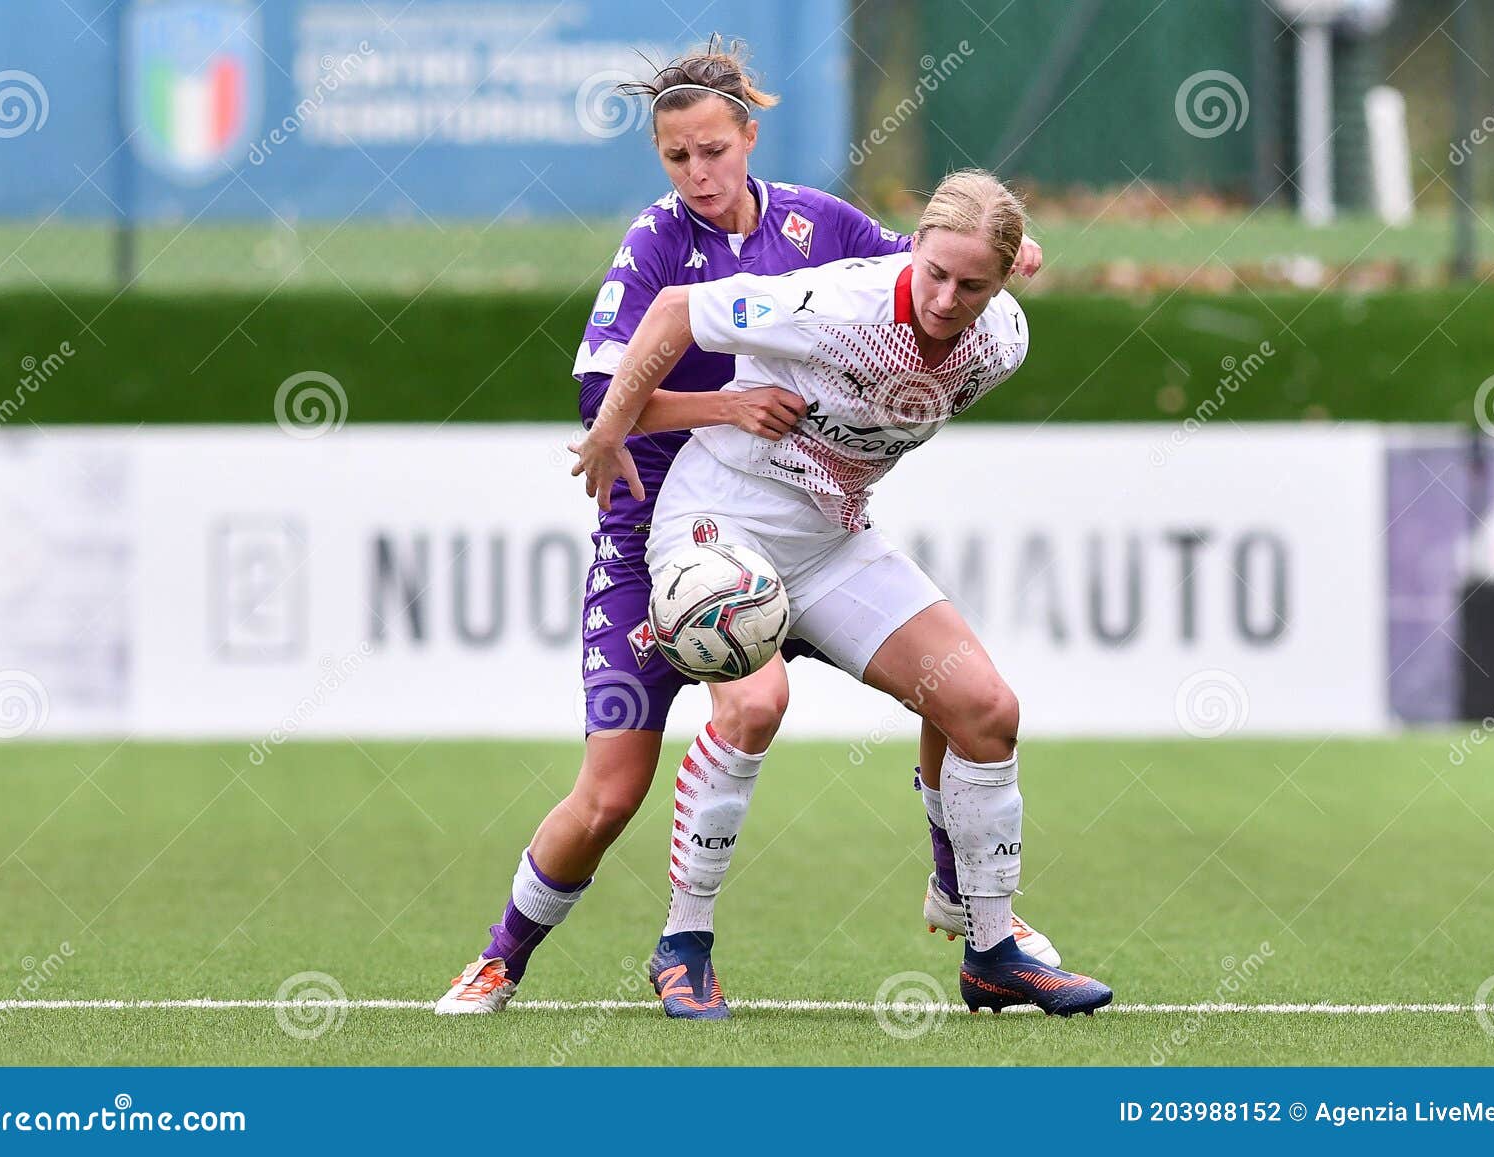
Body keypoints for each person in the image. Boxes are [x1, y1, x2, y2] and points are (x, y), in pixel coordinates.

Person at [436, 39, 1052, 1016]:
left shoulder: (817, 224)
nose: (699, 174)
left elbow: (920, 274)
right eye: (678, 158)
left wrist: (998, 256)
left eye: (713, 151)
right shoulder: (654, 246)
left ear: (747, 138)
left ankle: (965, 916)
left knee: (959, 695)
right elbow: (610, 400)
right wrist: (721, 409)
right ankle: (500, 957)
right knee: (607, 796)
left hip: (802, 528)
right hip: (667, 536)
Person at [573, 169, 1113, 1017]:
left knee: (984, 709)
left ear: (1003, 283)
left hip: (831, 539)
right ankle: (684, 943)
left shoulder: (1002, 339)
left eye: (971, 284)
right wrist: (608, 431)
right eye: (933, 272)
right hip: (722, 521)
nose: (944, 297)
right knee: (753, 708)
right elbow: (677, 309)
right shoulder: (835, 304)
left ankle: (992, 949)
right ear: (914, 249)